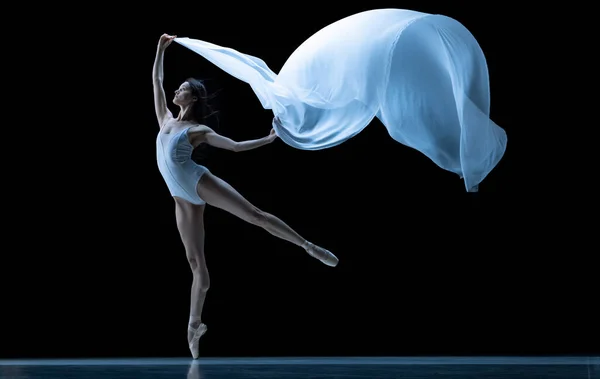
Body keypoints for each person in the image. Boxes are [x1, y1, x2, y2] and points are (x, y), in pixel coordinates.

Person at [153, 34, 338, 359]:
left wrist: (267, 141)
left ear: (193, 98)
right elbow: (156, 78)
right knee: (198, 267)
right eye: (177, 87)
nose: (175, 91)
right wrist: (160, 50)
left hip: (197, 183)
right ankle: (194, 325)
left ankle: (308, 246)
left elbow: (235, 147)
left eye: (182, 88)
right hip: (180, 199)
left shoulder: (196, 131)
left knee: (255, 215)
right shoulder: (165, 120)